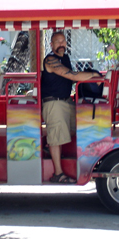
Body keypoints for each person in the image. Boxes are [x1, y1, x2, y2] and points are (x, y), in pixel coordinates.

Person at [42, 32, 103, 184]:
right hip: (53, 102)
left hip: (67, 101)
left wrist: (93, 76)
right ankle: (58, 174)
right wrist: (94, 75)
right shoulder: (50, 60)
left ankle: (49, 146)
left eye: (63, 41)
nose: (61, 44)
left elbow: (75, 76)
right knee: (57, 137)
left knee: (77, 128)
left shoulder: (66, 58)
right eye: (57, 42)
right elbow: (73, 76)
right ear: (51, 45)